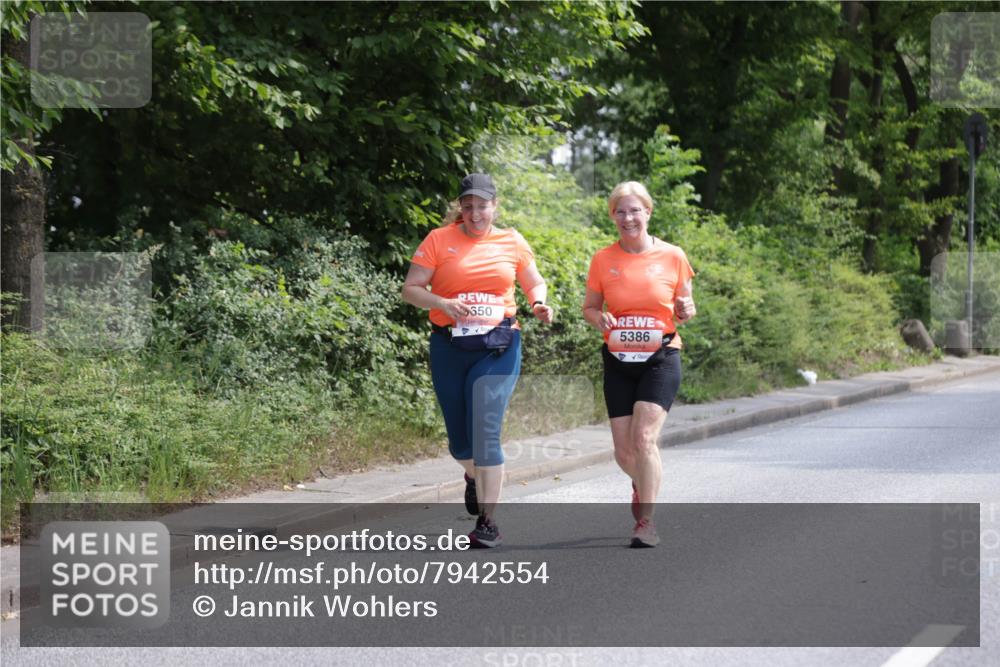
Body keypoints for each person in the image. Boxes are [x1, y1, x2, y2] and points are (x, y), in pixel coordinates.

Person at [402, 173, 553, 547]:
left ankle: (488, 522)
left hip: (498, 346)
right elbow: (411, 290)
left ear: (494, 206)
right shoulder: (439, 240)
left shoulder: (511, 240)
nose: (475, 213)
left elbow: (533, 280)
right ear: (460, 208)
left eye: (482, 206)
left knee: (486, 432)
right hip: (449, 346)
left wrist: (538, 303)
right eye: (467, 206)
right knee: (460, 443)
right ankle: (473, 476)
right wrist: (442, 303)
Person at [582, 181, 696, 548]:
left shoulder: (673, 255)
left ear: (648, 212)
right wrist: (599, 319)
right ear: (613, 216)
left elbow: (686, 304)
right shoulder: (603, 259)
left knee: (645, 438)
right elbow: (590, 307)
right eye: (620, 211)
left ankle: (646, 522)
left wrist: (686, 310)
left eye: (635, 210)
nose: (628, 217)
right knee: (624, 451)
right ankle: (643, 481)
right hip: (617, 358)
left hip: (661, 355)